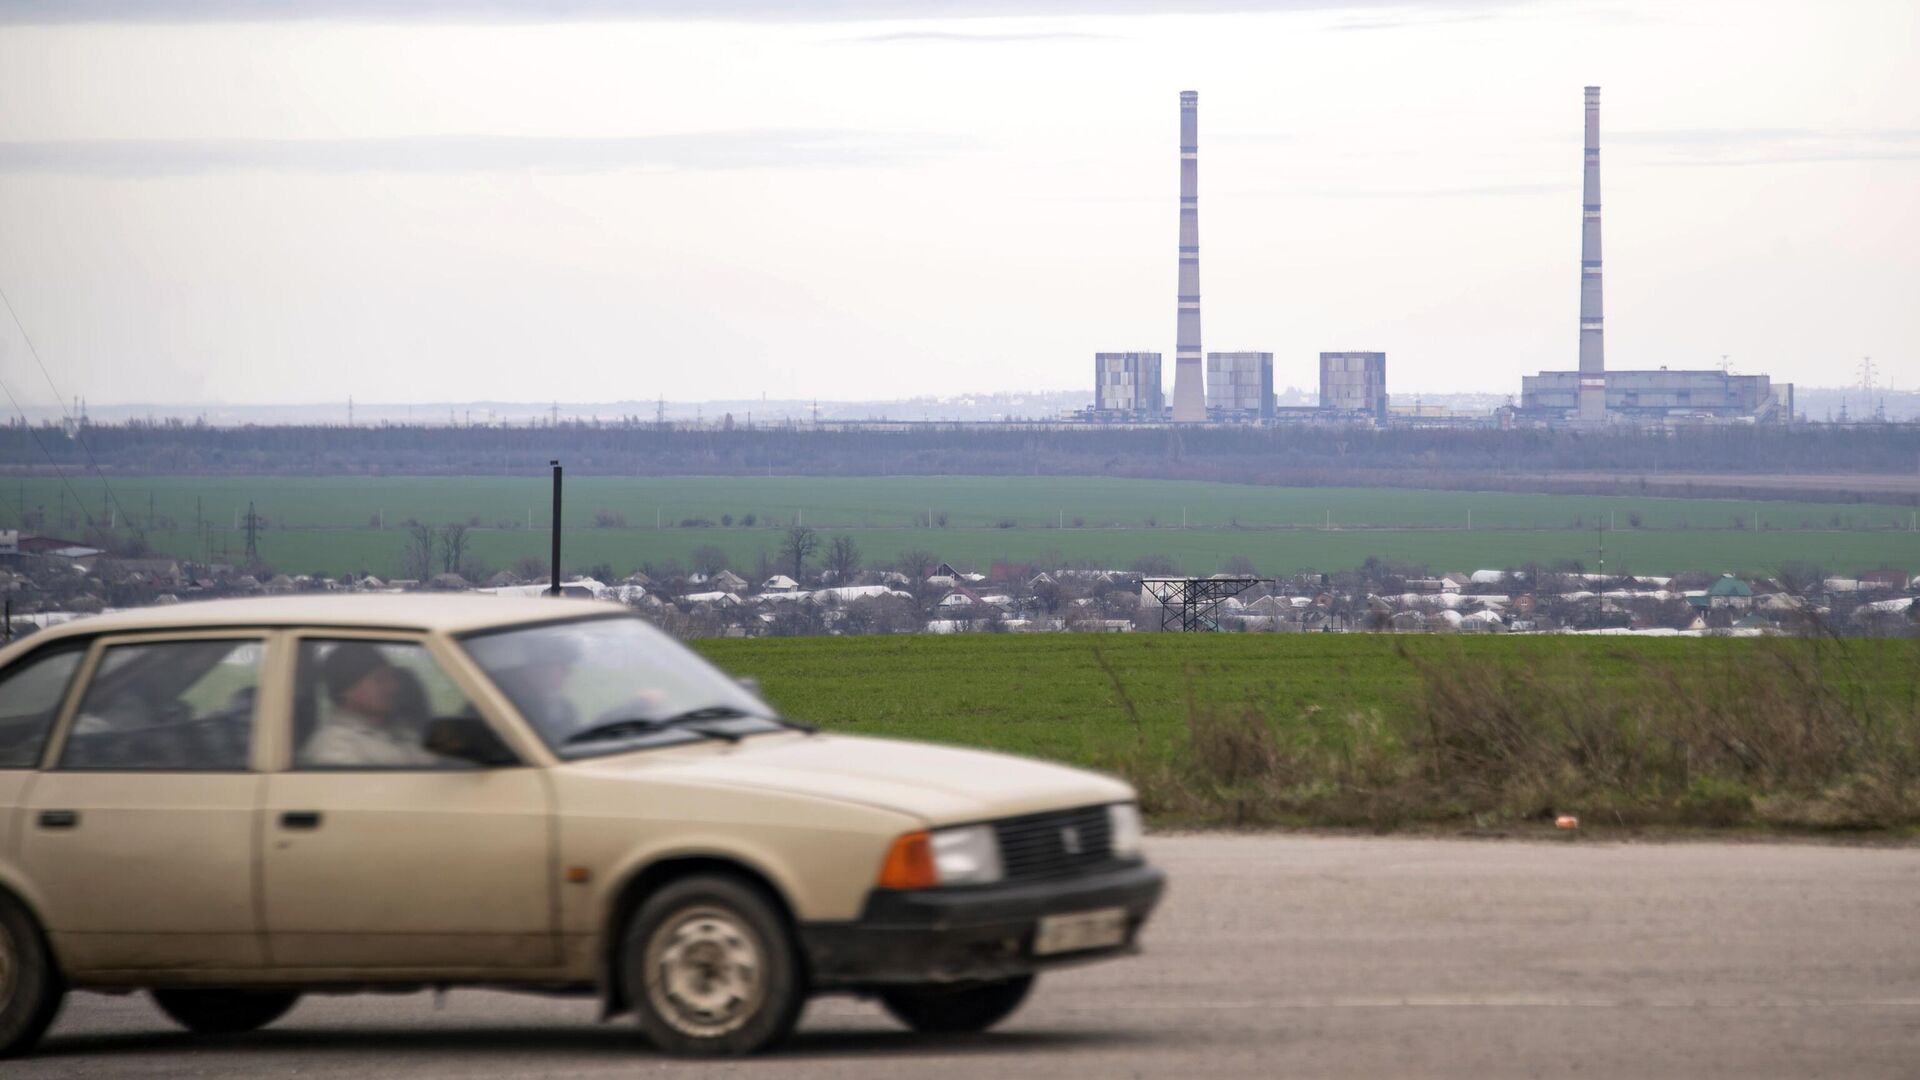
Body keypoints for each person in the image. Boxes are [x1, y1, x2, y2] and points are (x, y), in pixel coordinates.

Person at [301, 642, 441, 767]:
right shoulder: (333, 747)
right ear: (348, 691)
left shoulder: (398, 729)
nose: (393, 687)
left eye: (390, 677)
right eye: (379, 680)